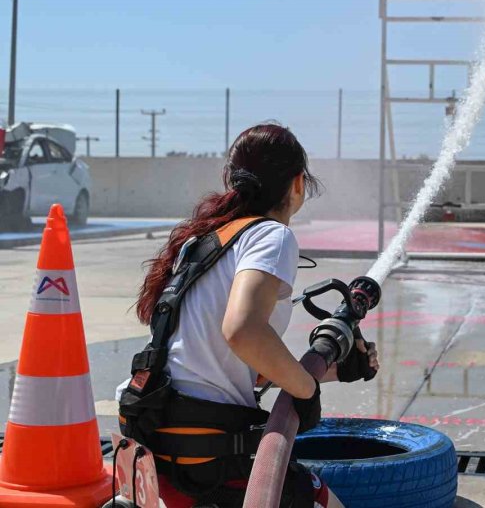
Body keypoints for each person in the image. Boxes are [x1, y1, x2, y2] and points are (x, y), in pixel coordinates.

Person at [117, 123, 378, 507]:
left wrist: (337, 369)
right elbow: (242, 332)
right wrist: (306, 389)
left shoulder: (203, 241)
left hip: (155, 431)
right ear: (298, 185)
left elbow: (219, 362)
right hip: (208, 449)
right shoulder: (271, 235)